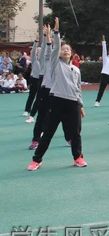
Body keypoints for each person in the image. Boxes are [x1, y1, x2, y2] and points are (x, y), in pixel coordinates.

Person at [28, 17, 86, 171]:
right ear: (58, 52)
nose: (65, 50)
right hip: (57, 102)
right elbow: (55, 48)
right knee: (48, 133)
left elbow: (78, 88)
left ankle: (78, 158)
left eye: (68, 49)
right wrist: (56, 32)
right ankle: (37, 160)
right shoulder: (55, 64)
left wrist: (80, 105)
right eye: (63, 48)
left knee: (76, 134)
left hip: (73, 103)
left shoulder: (76, 70)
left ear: (72, 53)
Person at [94, 35, 109, 107]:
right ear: (108, 52)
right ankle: (97, 101)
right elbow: (104, 50)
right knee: (102, 89)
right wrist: (103, 42)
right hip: (105, 75)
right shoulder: (105, 57)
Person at [23, 37, 42, 115]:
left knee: (40, 97)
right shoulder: (34, 59)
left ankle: (37, 110)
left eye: (40, 51)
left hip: (42, 79)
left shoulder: (45, 61)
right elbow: (33, 51)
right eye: (37, 51)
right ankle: (27, 110)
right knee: (32, 95)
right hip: (34, 79)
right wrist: (36, 42)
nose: (38, 52)